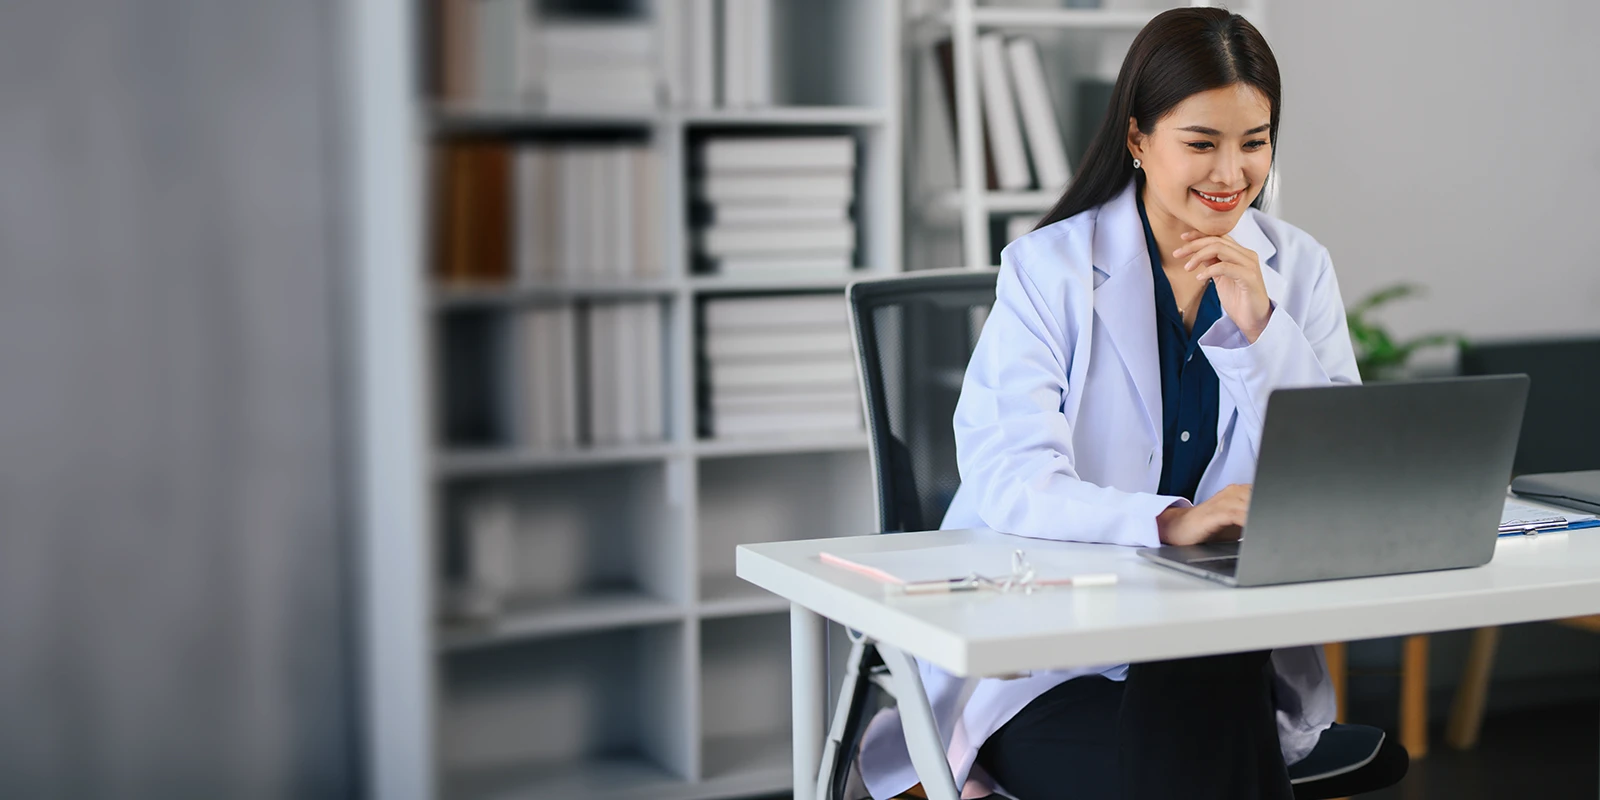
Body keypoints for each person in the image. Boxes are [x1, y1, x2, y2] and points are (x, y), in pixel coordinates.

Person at [857, 8, 1410, 800]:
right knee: (1198, 752)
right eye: (1201, 143)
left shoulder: (1296, 269)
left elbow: (1338, 473)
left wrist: (1261, 332)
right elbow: (1008, 476)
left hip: (1220, 646)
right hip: (1053, 664)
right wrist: (1166, 520)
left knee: (1205, 697)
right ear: (1137, 140)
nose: (1232, 174)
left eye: (1254, 142)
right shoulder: (1048, 270)